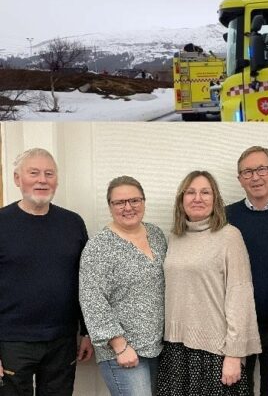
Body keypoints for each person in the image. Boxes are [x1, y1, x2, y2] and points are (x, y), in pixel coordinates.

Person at [0, 148, 93, 396]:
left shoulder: (73, 223)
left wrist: (85, 332)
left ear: (57, 180)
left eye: (49, 173)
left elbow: (86, 281)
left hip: (62, 340)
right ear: (17, 179)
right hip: (11, 341)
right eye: (34, 173)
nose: (42, 179)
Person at [158, 171, 261, 396]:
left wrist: (234, 355)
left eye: (206, 192)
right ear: (181, 200)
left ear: (215, 200)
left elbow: (240, 297)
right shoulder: (175, 237)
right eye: (191, 192)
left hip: (216, 351)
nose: (198, 198)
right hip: (176, 349)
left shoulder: (229, 236)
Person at [79, 176, 167, 395]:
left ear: (144, 202)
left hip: (158, 347)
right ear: (110, 207)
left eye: (134, 200)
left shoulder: (156, 234)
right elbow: (92, 298)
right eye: (119, 202)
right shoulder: (99, 246)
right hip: (122, 351)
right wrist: (120, 345)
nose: (128, 207)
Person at [226, 147, 268, 396]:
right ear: (239, 179)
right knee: (237, 390)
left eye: (262, 169)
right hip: (237, 326)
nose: (255, 177)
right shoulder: (226, 217)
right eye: (248, 172)